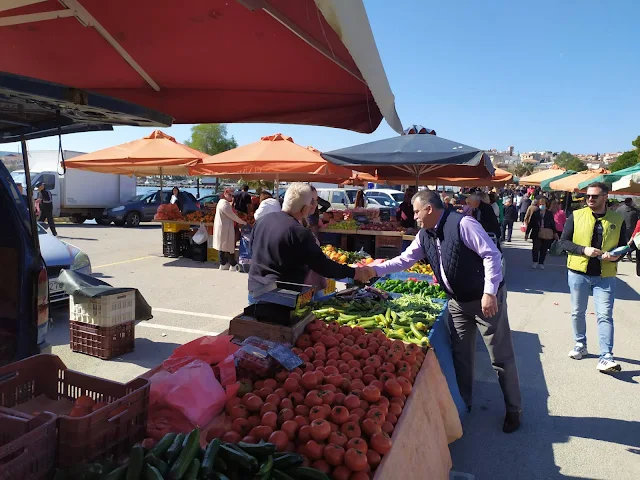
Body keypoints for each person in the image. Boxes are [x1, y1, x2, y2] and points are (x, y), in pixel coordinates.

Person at [358, 190, 522, 433]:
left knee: (500, 356)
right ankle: (464, 404)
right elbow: (404, 260)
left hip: (484, 300)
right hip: (456, 302)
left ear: (429, 209)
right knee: (461, 356)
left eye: (416, 212)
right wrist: (374, 270)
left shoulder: (464, 224)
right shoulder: (425, 234)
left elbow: (491, 255)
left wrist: (489, 292)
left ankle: (514, 409)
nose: (413, 217)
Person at [248, 183, 367, 297]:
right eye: (312, 203)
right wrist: (354, 273)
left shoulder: (262, 221)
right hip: (282, 296)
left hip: (255, 289)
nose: (313, 207)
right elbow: (322, 265)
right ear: (304, 209)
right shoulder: (298, 231)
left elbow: (251, 250)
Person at [558, 182, 627, 373]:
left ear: (605, 197)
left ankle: (606, 357)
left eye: (594, 196)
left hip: (605, 275)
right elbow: (563, 242)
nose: (589, 199)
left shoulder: (617, 219)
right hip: (578, 273)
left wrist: (616, 256)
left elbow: (623, 246)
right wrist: (583, 250)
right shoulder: (577, 216)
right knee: (577, 312)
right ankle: (580, 344)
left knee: (605, 315)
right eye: (587, 196)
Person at [213, 188, 247, 271]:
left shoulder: (222, 202)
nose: (231, 197)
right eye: (229, 195)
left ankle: (223, 263)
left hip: (223, 227)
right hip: (225, 228)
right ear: (224, 194)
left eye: (232, 195)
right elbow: (233, 216)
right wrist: (244, 222)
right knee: (228, 247)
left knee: (222, 247)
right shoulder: (224, 204)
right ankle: (232, 264)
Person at [525, 197, 558, 269]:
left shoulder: (549, 214)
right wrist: (527, 233)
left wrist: (555, 233)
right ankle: (535, 261)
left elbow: (552, 224)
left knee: (544, 248)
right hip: (536, 232)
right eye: (540, 204)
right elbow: (531, 223)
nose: (542, 206)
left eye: (543, 204)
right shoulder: (536, 213)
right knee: (535, 248)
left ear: (546, 205)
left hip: (546, 233)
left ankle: (541, 262)